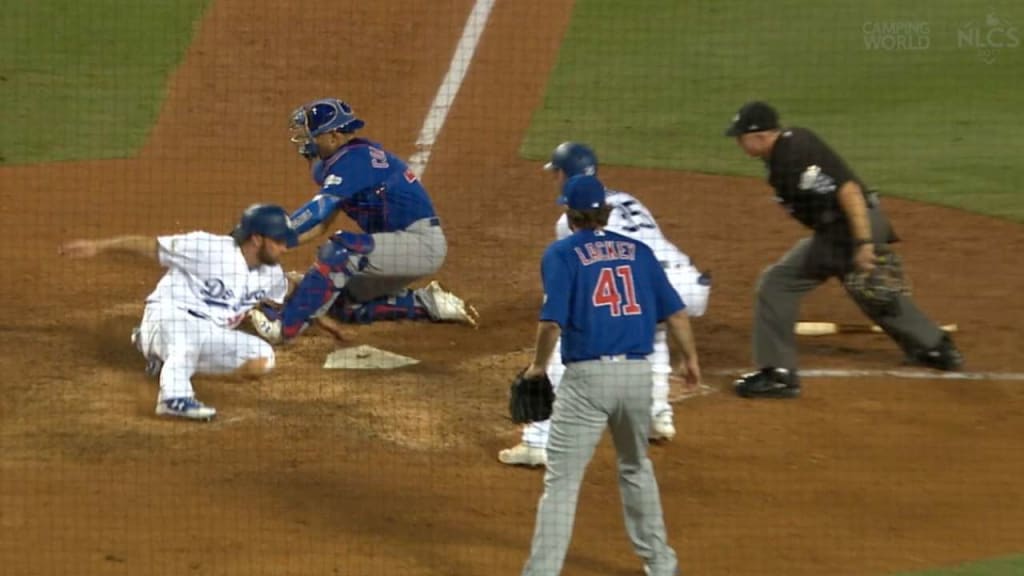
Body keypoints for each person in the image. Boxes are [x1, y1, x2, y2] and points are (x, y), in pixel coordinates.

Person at [519, 173, 700, 576]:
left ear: (570, 213)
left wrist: (536, 368)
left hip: (588, 382)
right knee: (636, 467)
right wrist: (690, 360)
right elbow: (675, 312)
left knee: (562, 482)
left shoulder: (561, 254)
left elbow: (551, 324)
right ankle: (662, 564)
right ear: (604, 212)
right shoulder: (638, 251)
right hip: (638, 376)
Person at [725, 101, 963, 399]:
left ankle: (777, 374)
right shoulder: (790, 147)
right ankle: (936, 347)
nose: (737, 142)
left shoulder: (791, 155)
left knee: (777, 284)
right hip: (847, 229)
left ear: (759, 135)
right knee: (867, 289)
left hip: (850, 229)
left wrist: (863, 243)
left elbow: (848, 191)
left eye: (740, 137)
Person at [499, 142, 711, 467]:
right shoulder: (627, 200)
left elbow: (577, 278)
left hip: (644, 284)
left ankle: (538, 440)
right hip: (687, 283)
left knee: (565, 340)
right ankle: (656, 416)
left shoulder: (568, 221)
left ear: (561, 174)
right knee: (653, 333)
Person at [248, 98, 477, 344]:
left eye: (311, 134)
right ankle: (429, 303)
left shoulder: (356, 161)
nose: (306, 141)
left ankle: (283, 329)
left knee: (341, 250)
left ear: (334, 136)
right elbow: (321, 224)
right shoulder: (331, 165)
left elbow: (317, 210)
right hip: (395, 245)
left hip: (421, 245)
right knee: (341, 304)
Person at [59, 204, 298, 420]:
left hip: (208, 334)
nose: (284, 248)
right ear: (256, 239)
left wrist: (329, 320)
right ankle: (173, 398)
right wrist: (99, 247)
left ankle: (163, 360)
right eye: (278, 241)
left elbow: (287, 292)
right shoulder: (210, 249)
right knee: (187, 337)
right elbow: (150, 246)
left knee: (262, 359)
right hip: (168, 316)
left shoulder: (271, 274)